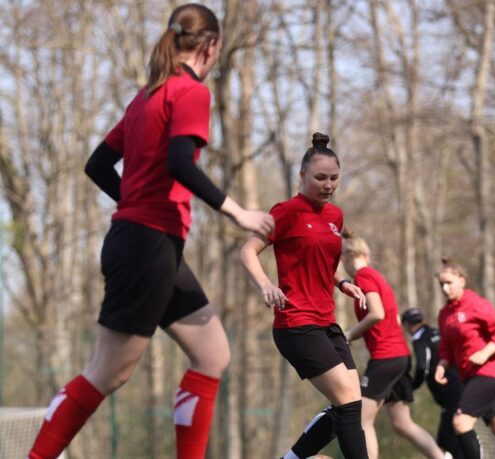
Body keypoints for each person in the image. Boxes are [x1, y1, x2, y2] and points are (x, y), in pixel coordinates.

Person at [27, 5, 275, 459]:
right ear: (211, 46)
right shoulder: (189, 93)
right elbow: (180, 163)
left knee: (213, 352)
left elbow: (97, 164)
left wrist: (132, 203)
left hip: (152, 245)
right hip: (147, 246)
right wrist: (237, 211)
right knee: (108, 371)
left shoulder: (146, 96)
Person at [240, 133, 368, 459]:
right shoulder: (286, 212)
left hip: (326, 322)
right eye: (320, 178)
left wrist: (342, 283)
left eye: (334, 178)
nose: (328, 185)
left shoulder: (335, 217)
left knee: (350, 404)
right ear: (302, 176)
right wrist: (267, 284)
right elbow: (248, 251)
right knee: (350, 404)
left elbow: (323, 260)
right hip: (296, 323)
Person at [341, 231, 449, 459]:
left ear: (350, 257)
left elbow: (377, 313)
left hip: (386, 357)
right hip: (398, 355)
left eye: (342, 260)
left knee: (361, 419)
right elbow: (394, 318)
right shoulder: (376, 277)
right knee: (401, 423)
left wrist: (350, 333)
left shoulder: (364, 277)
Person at [433, 257, 495, 459]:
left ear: (462, 280)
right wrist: (442, 364)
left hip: (488, 373)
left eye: (449, 282)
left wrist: (484, 353)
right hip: (470, 376)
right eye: (441, 284)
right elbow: (447, 348)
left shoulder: (475, 304)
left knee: (461, 422)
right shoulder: (445, 314)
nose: (444, 288)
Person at [402, 307, 464, 459]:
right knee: (449, 437)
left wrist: (411, 386)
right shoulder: (438, 332)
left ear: (407, 325)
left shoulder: (419, 338)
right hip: (461, 384)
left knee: (446, 439)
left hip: (449, 391)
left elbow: (423, 367)